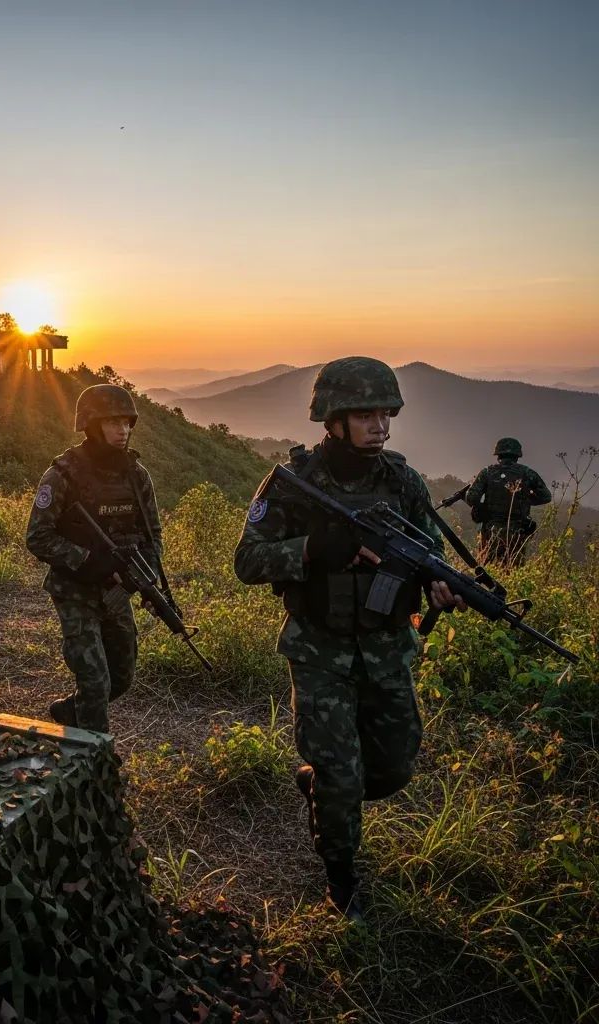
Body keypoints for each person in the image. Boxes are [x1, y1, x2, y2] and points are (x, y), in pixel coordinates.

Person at [234, 356, 465, 921]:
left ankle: (319, 785)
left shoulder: (402, 480)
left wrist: (438, 583)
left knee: (393, 768)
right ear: (332, 419)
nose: (380, 425)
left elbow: (426, 550)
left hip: (387, 646)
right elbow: (247, 560)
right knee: (342, 777)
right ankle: (341, 876)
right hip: (320, 649)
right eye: (365, 414)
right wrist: (314, 549)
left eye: (386, 413)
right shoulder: (295, 483)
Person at [26, 383, 162, 733]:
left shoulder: (136, 476)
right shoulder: (63, 474)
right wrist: (88, 560)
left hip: (116, 592)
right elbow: (38, 537)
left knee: (122, 676)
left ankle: (73, 710)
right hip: (74, 590)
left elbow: (153, 536)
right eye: (113, 422)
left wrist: (139, 577)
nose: (123, 430)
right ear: (91, 424)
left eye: (127, 422)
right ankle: (94, 763)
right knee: (96, 682)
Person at [465, 438, 551, 566]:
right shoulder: (527, 473)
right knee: (513, 572)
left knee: (485, 571)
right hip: (516, 533)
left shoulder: (487, 472)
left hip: (491, 531)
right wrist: (524, 499)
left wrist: (483, 507)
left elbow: (471, 498)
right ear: (517, 455)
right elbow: (545, 496)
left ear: (498, 454)